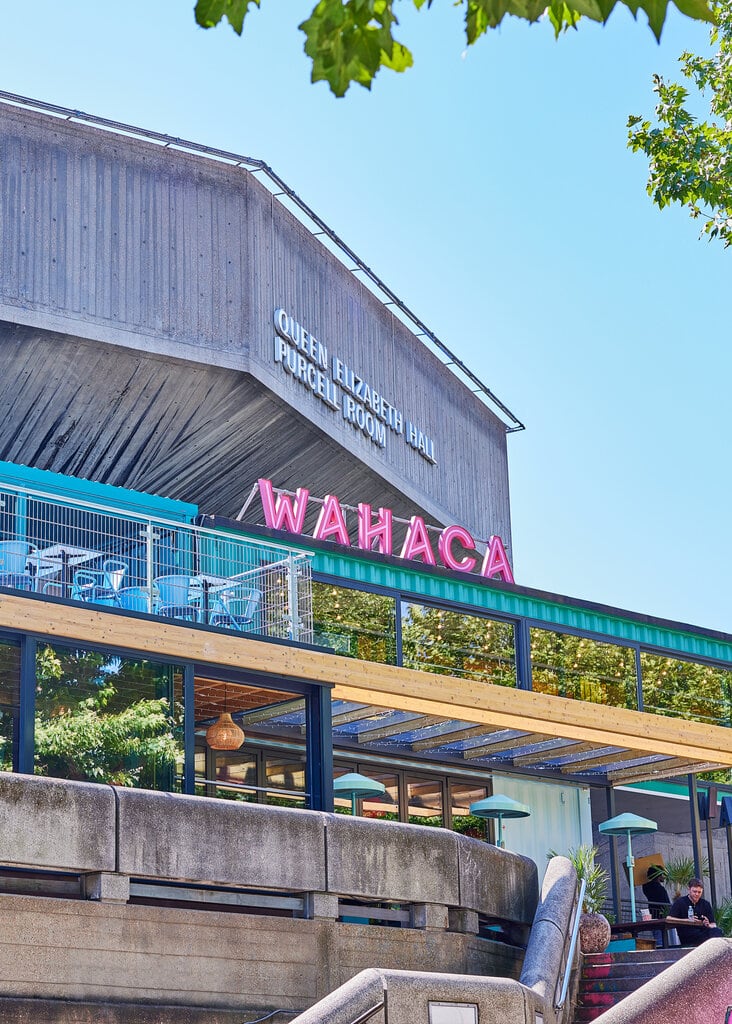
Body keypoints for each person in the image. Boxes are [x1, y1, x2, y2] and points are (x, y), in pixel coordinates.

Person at [666, 878, 724, 946]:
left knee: (718, 931)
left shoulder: (706, 904)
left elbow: (713, 925)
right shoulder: (680, 902)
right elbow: (669, 918)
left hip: (703, 932)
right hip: (687, 934)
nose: (697, 894)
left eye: (699, 892)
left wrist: (708, 925)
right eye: (694, 891)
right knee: (709, 937)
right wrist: (687, 920)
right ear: (689, 889)